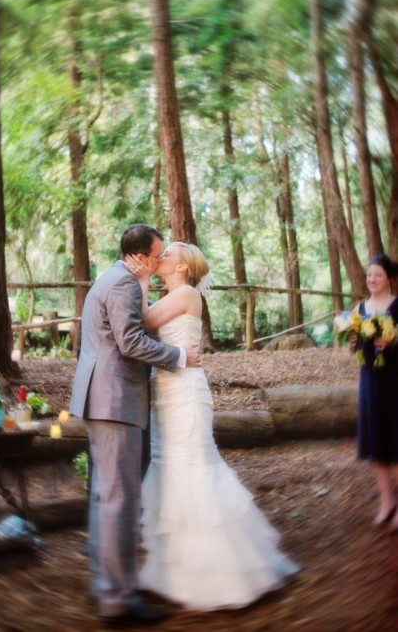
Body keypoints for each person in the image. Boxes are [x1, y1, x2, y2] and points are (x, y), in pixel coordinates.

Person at [126, 242, 298, 611]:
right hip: (167, 392)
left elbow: (145, 321)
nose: (160, 258)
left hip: (185, 394)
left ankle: (228, 574)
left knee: (193, 469)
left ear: (182, 268)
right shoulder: (177, 292)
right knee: (172, 470)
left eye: (166, 254)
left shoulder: (185, 293)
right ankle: (180, 572)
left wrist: (140, 280)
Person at [69, 224, 201, 628]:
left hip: (101, 398)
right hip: (115, 400)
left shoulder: (112, 278)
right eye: (158, 254)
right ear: (142, 257)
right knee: (120, 499)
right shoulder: (124, 284)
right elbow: (130, 342)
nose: (161, 261)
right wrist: (179, 354)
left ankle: (109, 583)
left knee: (105, 497)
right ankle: (119, 600)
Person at [349, 254, 398, 531]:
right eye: (369, 276)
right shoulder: (360, 308)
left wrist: (392, 343)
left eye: (377, 275)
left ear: (389, 278)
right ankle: (386, 501)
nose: (372, 279)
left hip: (395, 380)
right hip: (370, 380)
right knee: (376, 441)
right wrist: (353, 341)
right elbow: (354, 349)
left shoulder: (397, 306)